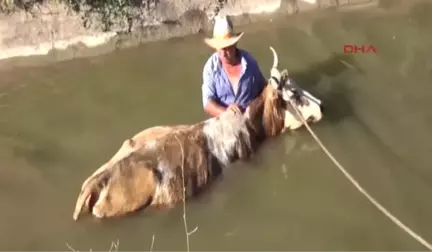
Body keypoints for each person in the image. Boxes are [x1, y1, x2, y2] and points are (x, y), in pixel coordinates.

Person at [201, 15, 267, 118]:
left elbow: (263, 88)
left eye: (226, 48)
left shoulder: (249, 63)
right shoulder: (210, 68)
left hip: (250, 119)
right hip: (225, 123)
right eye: (219, 48)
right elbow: (208, 103)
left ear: (235, 44)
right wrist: (226, 112)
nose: (223, 54)